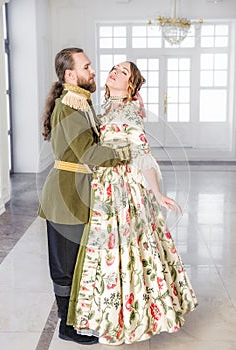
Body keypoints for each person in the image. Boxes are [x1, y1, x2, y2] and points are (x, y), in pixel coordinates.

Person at [66, 61, 198, 345]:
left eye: (124, 72)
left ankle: (131, 317)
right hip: (104, 187)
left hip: (123, 190)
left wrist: (157, 192)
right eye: (114, 68)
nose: (115, 72)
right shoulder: (105, 108)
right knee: (106, 252)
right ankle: (106, 314)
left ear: (131, 87)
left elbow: (142, 154)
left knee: (124, 251)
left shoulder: (128, 112)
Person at [38, 48, 131, 345]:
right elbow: (89, 153)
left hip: (78, 190)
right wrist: (125, 153)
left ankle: (77, 319)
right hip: (66, 194)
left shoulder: (80, 101)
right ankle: (66, 326)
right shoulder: (70, 104)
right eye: (87, 66)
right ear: (70, 74)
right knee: (64, 266)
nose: (93, 71)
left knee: (77, 262)